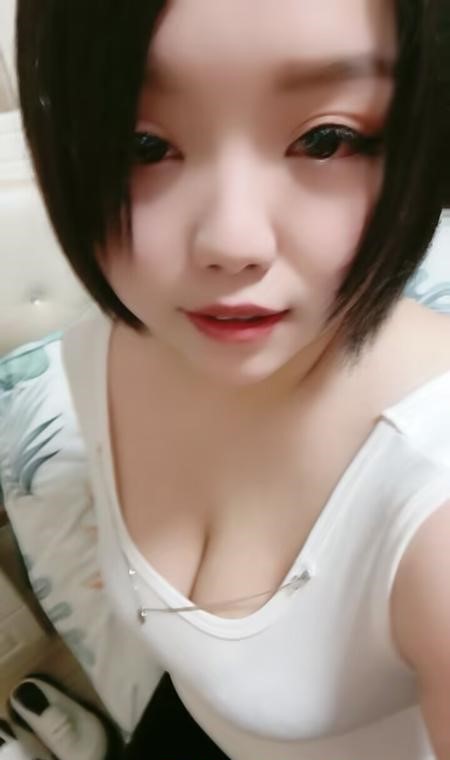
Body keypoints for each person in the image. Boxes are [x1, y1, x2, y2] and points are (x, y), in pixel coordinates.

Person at [12, 0, 450, 758]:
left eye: (326, 139)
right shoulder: (105, 344)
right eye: (143, 145)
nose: (231, 242)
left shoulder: (431, 501)